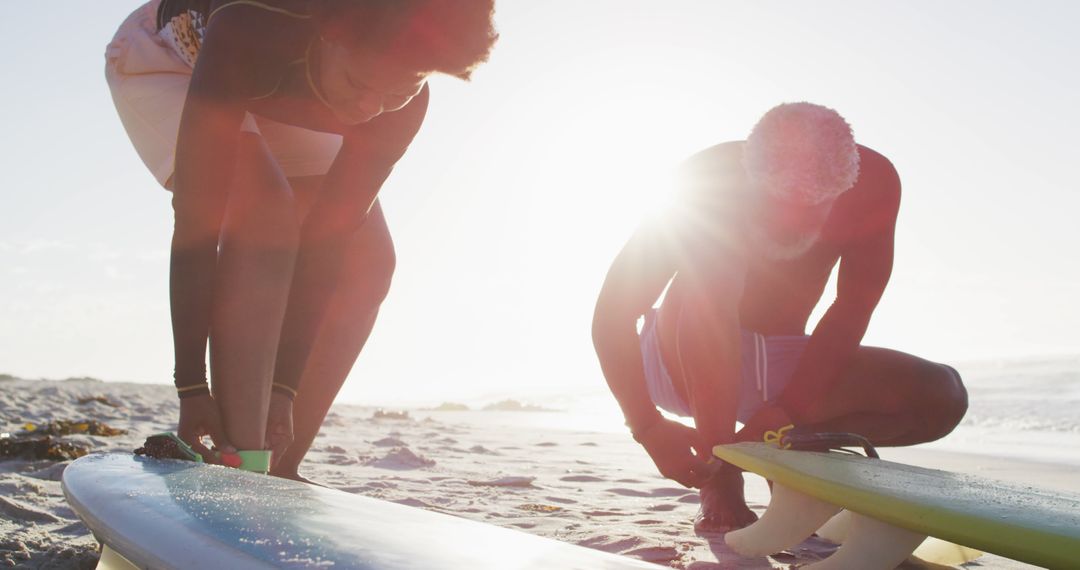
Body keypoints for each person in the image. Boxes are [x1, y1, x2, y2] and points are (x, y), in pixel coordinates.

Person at [105, 0, 497, 477]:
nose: (368, 109)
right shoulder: (248, 30)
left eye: (396, 90)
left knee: (367, 261)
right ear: (330, 34)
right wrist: (191, 386)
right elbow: (195, 224)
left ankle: (278, 466)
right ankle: (240, 459)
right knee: (264, 211)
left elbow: (326, 244)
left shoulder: (397, 103)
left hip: (289, 92)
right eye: (360, 84)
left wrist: (284, 389)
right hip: (172, 64)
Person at [591, 102, 968, 531]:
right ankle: (721, 478)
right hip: (674, 354)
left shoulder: (875, 184)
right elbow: (613, 314)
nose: (790, 226)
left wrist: (791, 407)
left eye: (810, 211)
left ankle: (792, 453)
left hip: (780, 366)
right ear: (751, 177)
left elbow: (853, 305)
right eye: (778, 207)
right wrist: (647, 426)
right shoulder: (708, 179)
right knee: (714, 272)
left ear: (843, 189)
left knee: (943, 396)